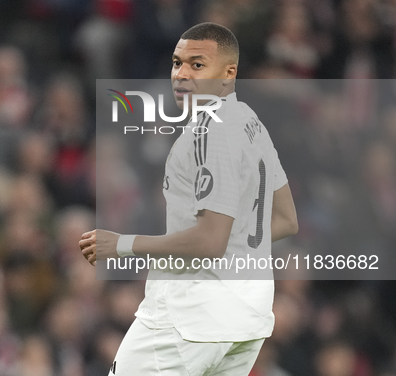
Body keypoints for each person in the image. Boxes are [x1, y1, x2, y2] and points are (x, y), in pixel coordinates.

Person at [79, 22, 299, 375]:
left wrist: (120, 245)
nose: (181, 74)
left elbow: (210, 241)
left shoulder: (209, 133)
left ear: (229, 73)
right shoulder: (249, 123)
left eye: (197, 65)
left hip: (190, 316)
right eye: (176, 62)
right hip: (246, 319)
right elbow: (286, 220)